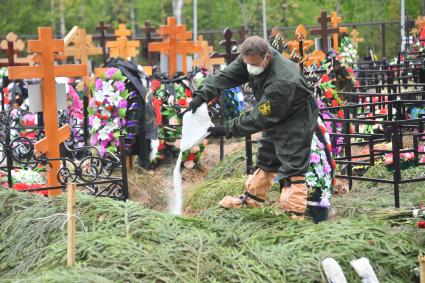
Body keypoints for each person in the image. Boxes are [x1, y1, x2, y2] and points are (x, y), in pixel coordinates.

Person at [188, 36, 318, 219]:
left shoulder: (282, 80)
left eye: (254, 64)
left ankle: (294, 214)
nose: (250, 68)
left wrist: (226, 129)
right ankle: (252, 200)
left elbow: (260, 115)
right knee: (267, 155)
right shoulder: (250, 58)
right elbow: (224, 77)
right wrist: (201, 95)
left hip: (295, 117)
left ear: (267, 57)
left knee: (292, 164)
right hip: (274, 109)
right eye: (247, 63)